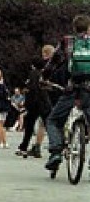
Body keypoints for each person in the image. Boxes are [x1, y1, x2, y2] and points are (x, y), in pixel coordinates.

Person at [44, 14, 90, 173]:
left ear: (74, 28)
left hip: (72, 88)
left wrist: (44, 78)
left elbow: (53, 62)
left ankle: (56, 152)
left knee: (53, 120)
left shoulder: (68, 41)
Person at [16, 45, 54, 158]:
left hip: (35, 103)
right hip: (45, 102)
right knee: (48, 124)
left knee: (30, 125)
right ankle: (54, 144)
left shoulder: (34, 74)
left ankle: (24, 146)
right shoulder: (49, 70)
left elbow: (32, 89)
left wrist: (27, 103)